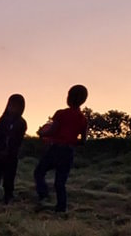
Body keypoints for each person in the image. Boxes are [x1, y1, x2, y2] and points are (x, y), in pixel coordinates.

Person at [34, 85, 88, 213]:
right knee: (60, 182)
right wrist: (71, 141)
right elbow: (83, 141)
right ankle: (61, 208)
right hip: (68, 152)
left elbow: (52, 130)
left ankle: (44, 196)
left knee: (39, 172)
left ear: (69, 97)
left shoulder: (61, 113)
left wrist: (42, 134)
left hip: (56, 149)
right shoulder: (83, 119)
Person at [0, 94, 27, 204]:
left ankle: (8, 196)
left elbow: (17, 140)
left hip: (11, 154)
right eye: (10, 105)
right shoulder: (4, 119)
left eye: (15, 106)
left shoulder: (21, 123)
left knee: (9, 176)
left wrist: (9, 150)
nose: (12, 108)